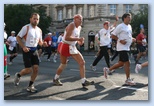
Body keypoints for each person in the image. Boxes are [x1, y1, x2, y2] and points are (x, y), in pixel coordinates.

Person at [53, 14, 94, 87]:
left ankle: (83, 81)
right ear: (74, 19)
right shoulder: (72, 25)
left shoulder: (79, 27)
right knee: (63, 64)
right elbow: (67, 38)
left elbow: (75, 37)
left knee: (82, 62)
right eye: (79, 19)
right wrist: (78, 39)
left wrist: (80, 41)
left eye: (82, 19)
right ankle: (56, 78)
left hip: (72, 46)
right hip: (65, 45)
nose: (81, 21)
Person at [14, 13, 47, 92]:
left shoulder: (39, 30)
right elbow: (18, 37)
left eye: (37, 19)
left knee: (36, 69)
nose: (35, 20)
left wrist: (43, 44)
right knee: (28, 70)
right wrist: (24, 47)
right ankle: (18, 75)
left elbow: (40, 42)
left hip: (34, 50)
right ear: (30, 19)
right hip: (27, 50)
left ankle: (30, 85)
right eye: (34, 18)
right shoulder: (26, 28)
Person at [103, 13, 136, 85]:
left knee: (121, 63)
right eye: (128, 17)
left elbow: (128, 35)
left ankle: (108, 69)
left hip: (127, 47)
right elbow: (112, 35)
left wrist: (132, 39)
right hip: (122, 47)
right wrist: (120, 40)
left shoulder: (129, 26)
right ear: (124, 18)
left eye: (130, 17)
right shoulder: (120, 26)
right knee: (127, 62)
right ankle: (128, 79)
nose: (130, 18)